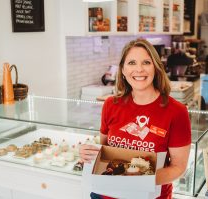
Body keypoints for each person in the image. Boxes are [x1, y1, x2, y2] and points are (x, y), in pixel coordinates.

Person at [80, 39, 191, 199]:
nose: (139, 69)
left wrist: (139, 181)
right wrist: (88, 154)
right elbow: (104, 151)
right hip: (108, 194)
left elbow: (178, 167)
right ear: (123, 70)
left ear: (156, 68)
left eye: (146, 62)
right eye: (132, 62)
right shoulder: (111, 104)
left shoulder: (176, 111)